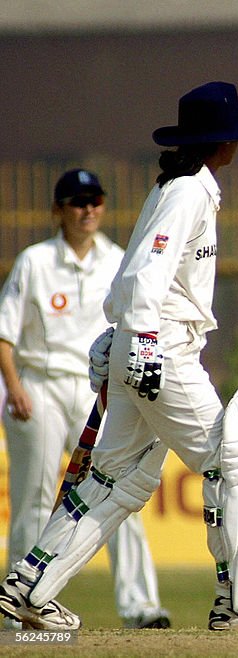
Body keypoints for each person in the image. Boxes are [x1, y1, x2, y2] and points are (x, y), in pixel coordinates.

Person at [0, 82, 238, 631]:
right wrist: (137, 341)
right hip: (163, 349)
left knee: (117, 481)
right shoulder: (187, 191)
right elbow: (145, 276)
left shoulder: (182, 186)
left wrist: (116, 340)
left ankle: (30, 586)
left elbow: (128, 274)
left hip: (150, 345)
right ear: (223, 142)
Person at [0, 169, 171, 629]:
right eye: (77, 202)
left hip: (96, 391)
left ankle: (141, 606)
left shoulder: (117, 259)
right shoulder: (34, 261)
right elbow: (4, 333)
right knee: (35, 497)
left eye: (95, 200)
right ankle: (19, 607)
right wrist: (14, 387)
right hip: (37, 386)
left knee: (118, 492)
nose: (88, 209)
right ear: (59, 210)